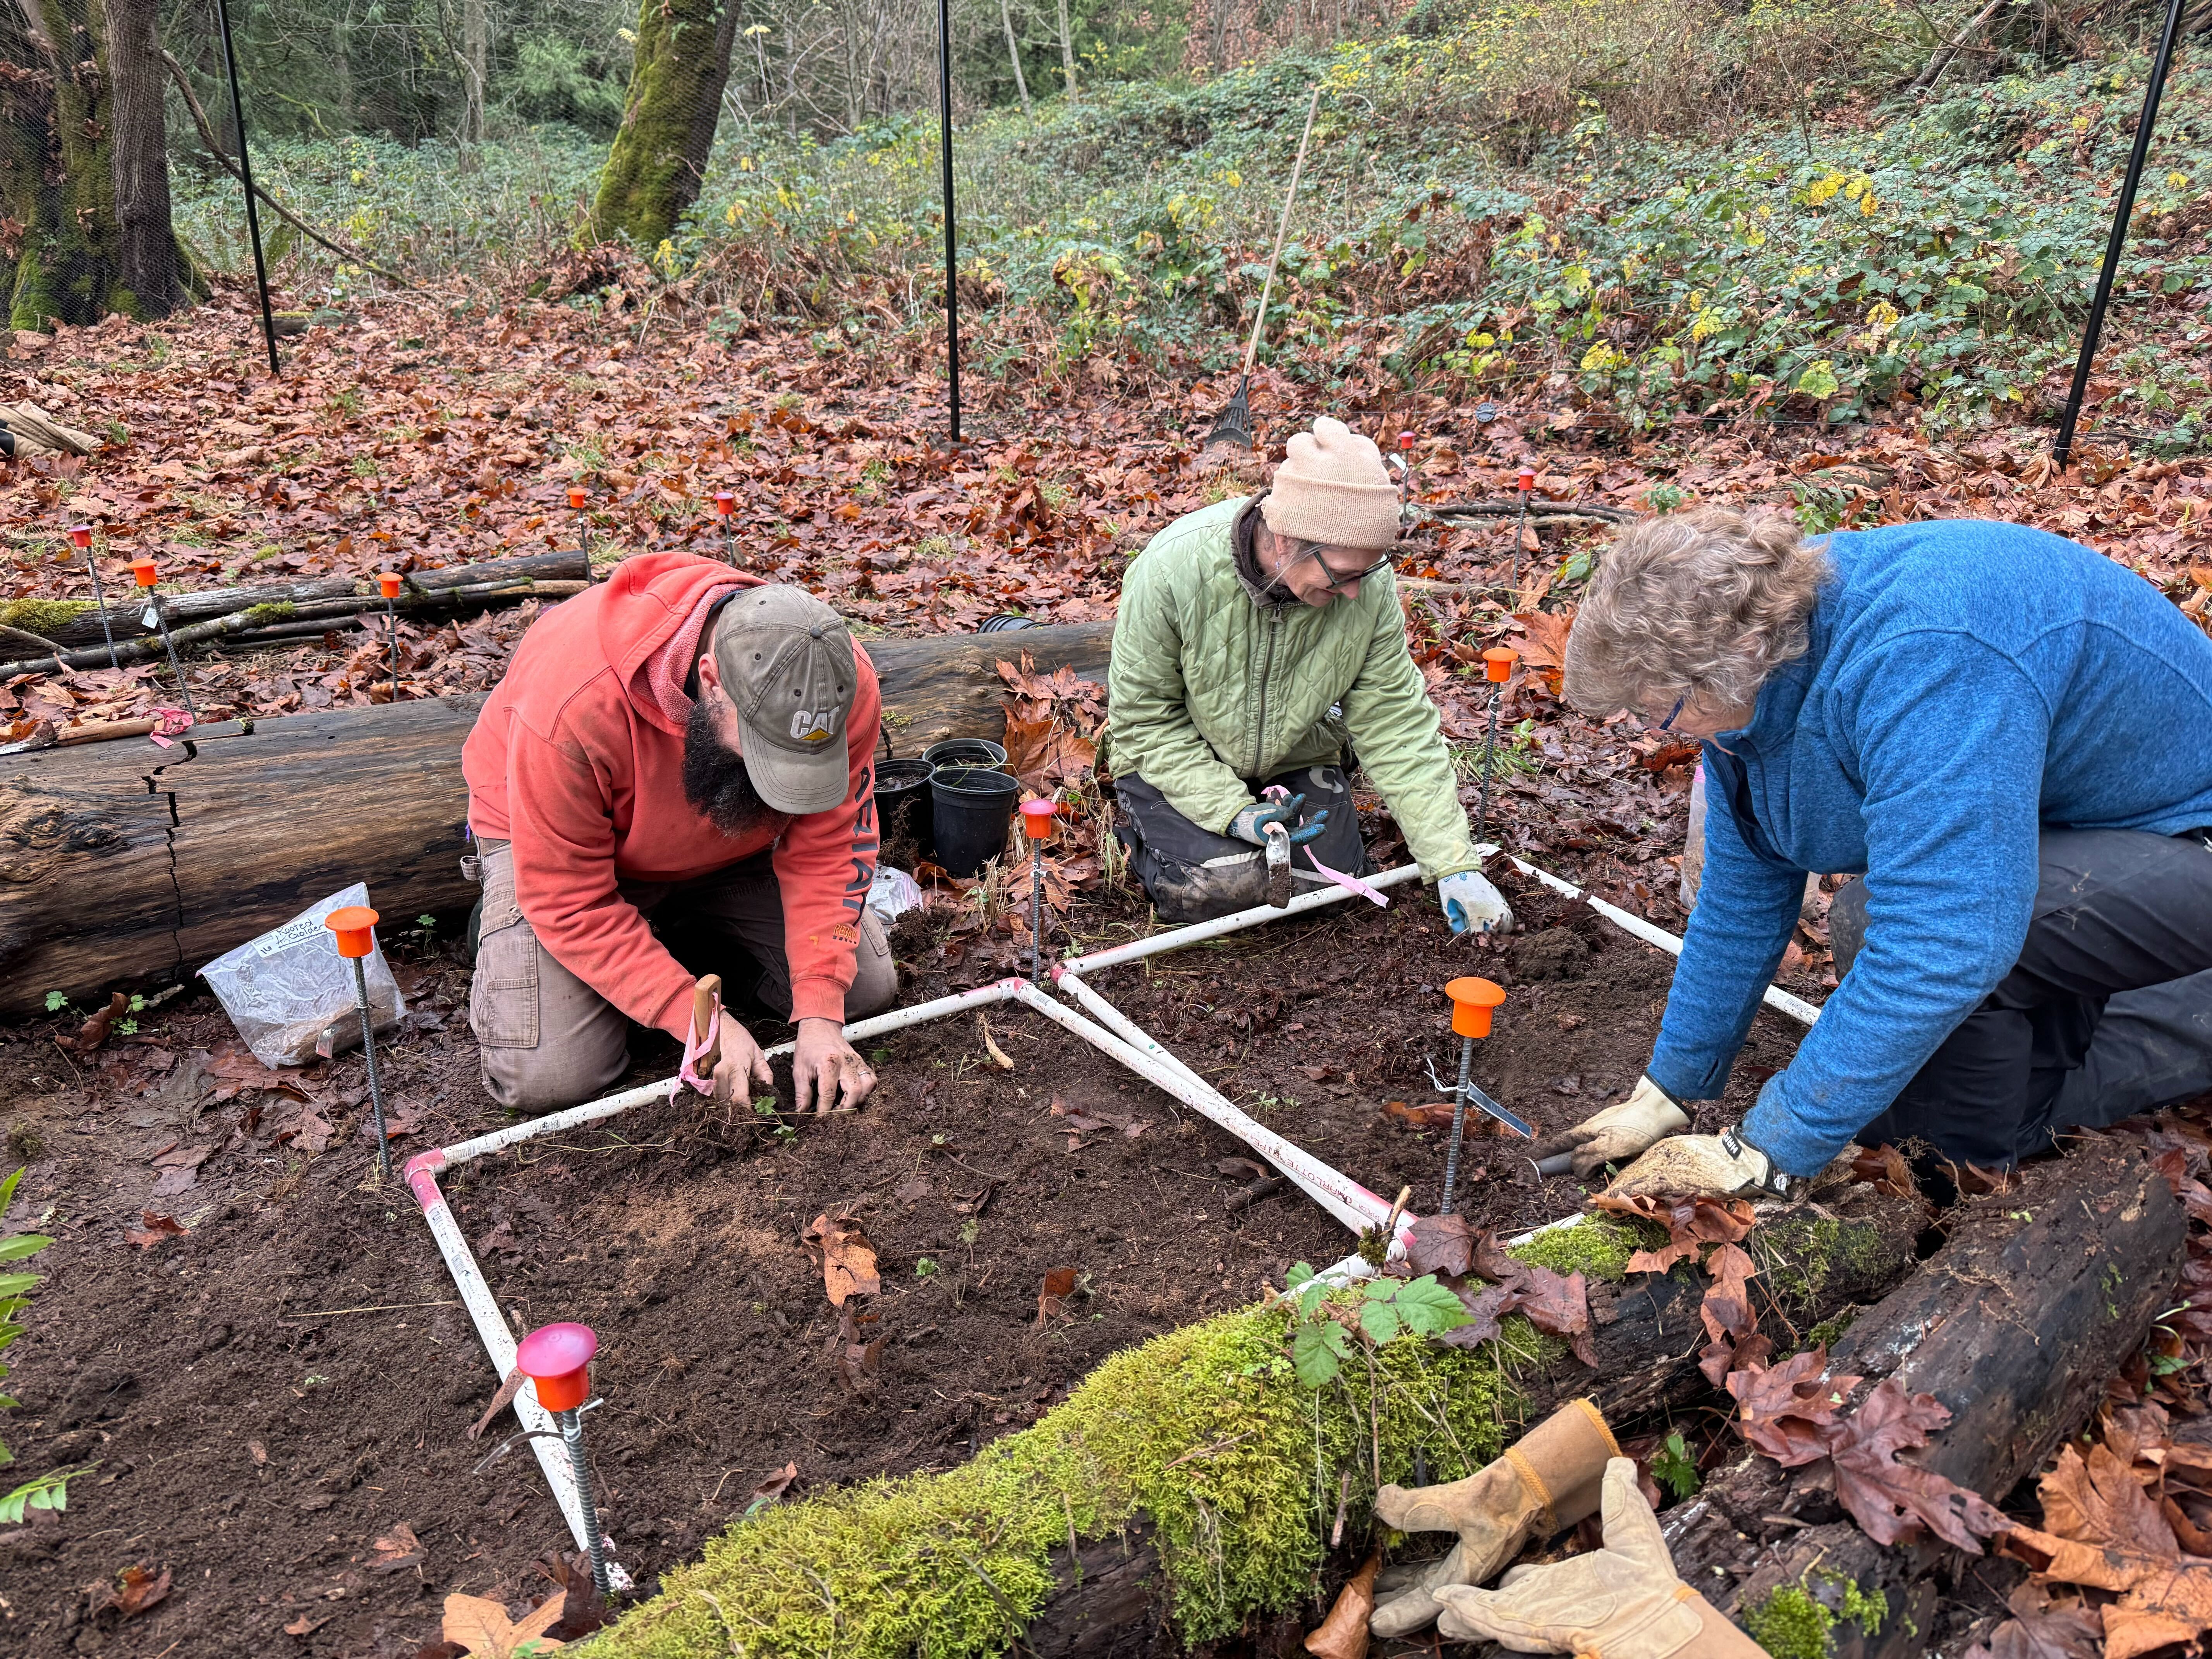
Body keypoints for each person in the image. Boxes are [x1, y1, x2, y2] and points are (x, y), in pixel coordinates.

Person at [1531, 508, 2212, 1197]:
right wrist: (1667, 1092)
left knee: (1888, 944)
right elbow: (1744, 892)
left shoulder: (1927, 655)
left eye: (1663, 712)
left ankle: (1954, 1191)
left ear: (1735, 665)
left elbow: (1947, 937)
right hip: (2081, 824)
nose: (1655, 731)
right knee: (1898, 1072)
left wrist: (1767, 1150)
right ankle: (2023, 1086)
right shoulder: (1765, 649)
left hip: (2189, 835)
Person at [460, 555, 895, 1116]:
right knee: (552, 1077)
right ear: (711, 680)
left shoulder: (833, 682)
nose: (783, 772)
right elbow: (568, 897)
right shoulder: (575, 704)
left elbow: (833, 844)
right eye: (767, 751)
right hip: (576, 863)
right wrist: (700, 1019)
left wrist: (820, 1016)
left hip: (730, 845)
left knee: (862, 992)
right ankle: (506, 929)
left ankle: (675, 940)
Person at [1106, 416, 1514, 931]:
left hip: (1294, 753)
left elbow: (1394, 722)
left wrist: (1454, 865)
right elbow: (1144, 720)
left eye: (1367, 572)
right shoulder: (1170, 570)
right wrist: (1234, 812)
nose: (1353, 594)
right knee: (1225, 887)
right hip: (1177, 752)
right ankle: (1142, 833)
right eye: (1342, 575)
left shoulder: (1367, 587)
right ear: (1283, 539)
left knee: (1331, 887)